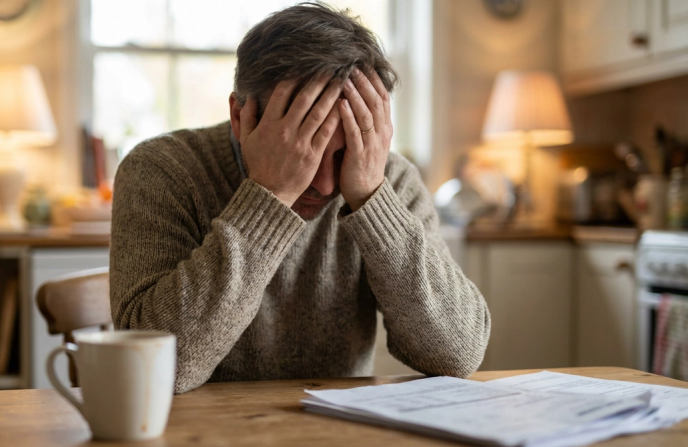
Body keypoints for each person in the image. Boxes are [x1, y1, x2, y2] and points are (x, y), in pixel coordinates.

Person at [110, 3, 490, 394]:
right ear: (240, 117)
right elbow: (153, 368)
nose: (325, 186)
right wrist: (269, 195)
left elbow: (457, 355)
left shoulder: (389, 179)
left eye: (344, 155)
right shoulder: (161, 169)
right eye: (300, 150)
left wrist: (372, 198)